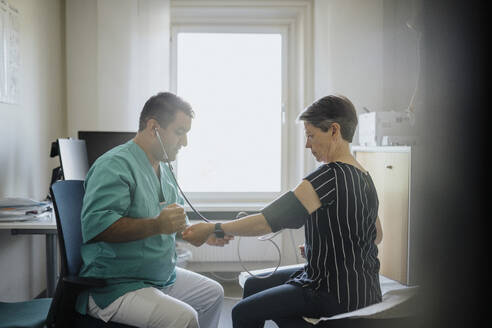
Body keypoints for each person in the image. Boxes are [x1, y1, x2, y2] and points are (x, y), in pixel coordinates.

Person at [182, 94, 383, 328]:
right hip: (365, 288)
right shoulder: (365, 178)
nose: (307, 144)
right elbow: (376, 235)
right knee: (253, 286)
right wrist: (322, 249)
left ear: (334, 131)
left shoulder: (326, 177)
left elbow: (266, 222)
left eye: (311, 135)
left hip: (331, 292)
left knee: (241, 313)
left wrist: (213, 228)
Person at [75, 92, 230, 328]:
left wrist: (200, 234)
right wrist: (157, 225)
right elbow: (97, 228)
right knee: (184, 318)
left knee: (213, 294)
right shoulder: (114, 165)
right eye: (180, 132)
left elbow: (173, 225)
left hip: (159, 277)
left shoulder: (165, 170)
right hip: (116, 285)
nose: (185, 142)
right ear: (154, 127)